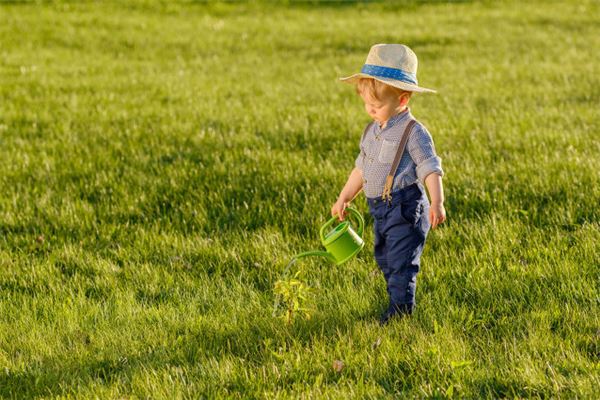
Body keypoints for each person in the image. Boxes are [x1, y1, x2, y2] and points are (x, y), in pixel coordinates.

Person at [331, 44, 446, 325]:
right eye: (366, 103)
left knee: (401, 262)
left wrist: (437, 201)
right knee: (383, 257)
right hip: (379, 208)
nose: (370, 109)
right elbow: (362, 168)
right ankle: (396, 298)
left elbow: (430, 167)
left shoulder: (413, 132)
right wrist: (345, 196)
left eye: (378, 104)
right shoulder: (372, 130)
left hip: (404, 207)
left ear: (403, 99)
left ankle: (400, 312)